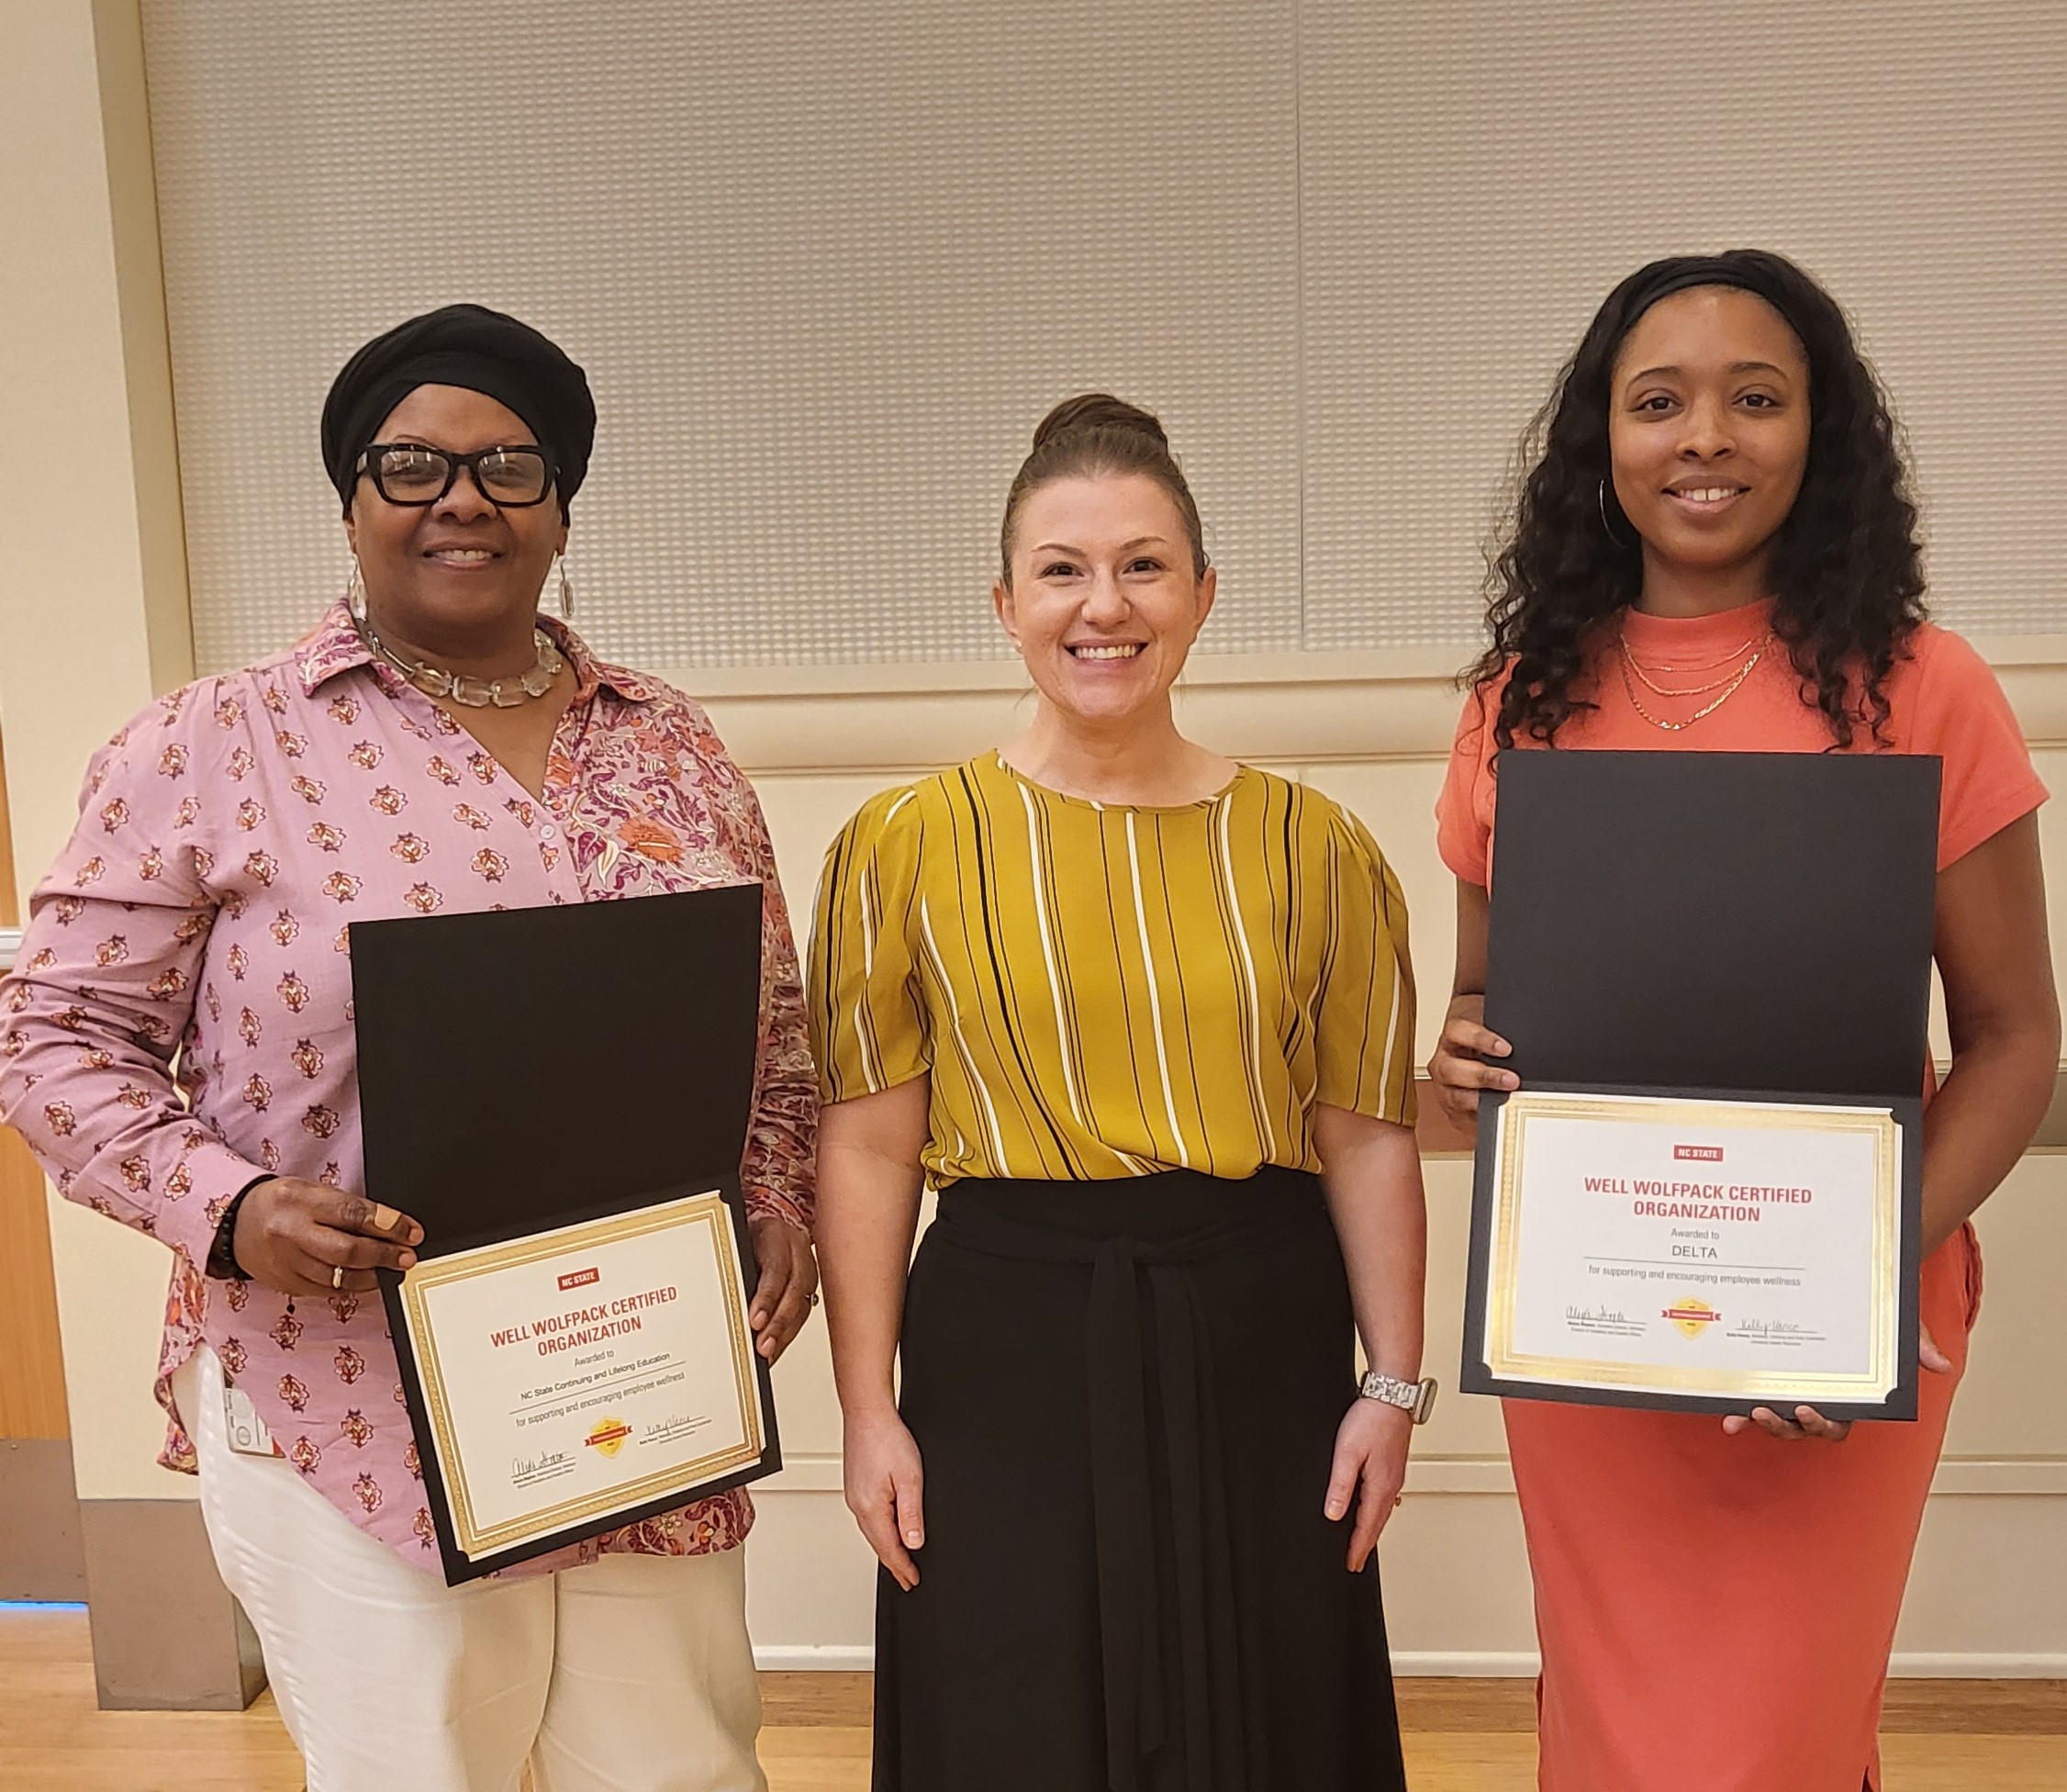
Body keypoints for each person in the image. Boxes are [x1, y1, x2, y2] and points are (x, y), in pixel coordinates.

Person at [0, 303, 818, 1792]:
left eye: (511, 466)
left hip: (641, 1374)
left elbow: (770, 1032)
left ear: (562, 507)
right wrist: (228, 1211)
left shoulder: (672, 743)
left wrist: (773, 1202)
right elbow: (55, 1037)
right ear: (352, 495)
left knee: (682, 1771)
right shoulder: (209, 746)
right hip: (350, 1393)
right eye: (412, 464)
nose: (462, 499)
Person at [1429, 251, 2058, 1792]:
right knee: (1615, 1715)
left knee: (1772, 1733)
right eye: (1660, 403)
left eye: (1754, 398)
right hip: (1590, 1310)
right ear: (1604, 443)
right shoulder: (1522, 700)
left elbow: (2017, 1039)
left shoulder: (1927, 687)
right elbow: (1478, 1011)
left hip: (1838, 1312)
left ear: (1818, 432)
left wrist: (1863, 1263)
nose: (1705, 436)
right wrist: (1455, 1062)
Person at [809, 394, 1428, 1792]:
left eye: (1145, 565)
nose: (1107, 606)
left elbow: (1367, 1136)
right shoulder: (901, 844)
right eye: (1064, 569)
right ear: (1005, 600)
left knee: (1269, 1710)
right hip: (1002, 1338)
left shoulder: (1316, 846)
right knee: (1014, 1707)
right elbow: (866, 1148)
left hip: (1258, 1329)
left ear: (1204, 595)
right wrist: (866, 1408)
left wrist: (1391, 1383)